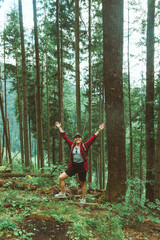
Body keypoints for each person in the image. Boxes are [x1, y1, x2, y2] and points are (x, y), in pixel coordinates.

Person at [54, 121, 105, 203]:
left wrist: (99, 130)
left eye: (79, 137)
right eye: (76, 137)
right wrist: (59, 127)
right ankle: (62, 193)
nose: (77, 138)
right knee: (61, 177)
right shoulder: (72, 145)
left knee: (82, 183)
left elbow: (93, 138)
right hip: (73, 166)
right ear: (74, 139)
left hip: (82, 166)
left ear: (81, 139)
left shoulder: (85, 145)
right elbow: (64, 136)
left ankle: (83, 199)